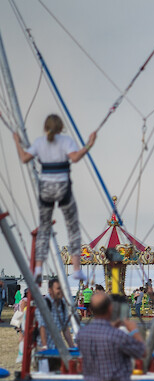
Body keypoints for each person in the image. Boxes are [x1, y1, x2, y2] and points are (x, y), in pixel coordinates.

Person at [14, 116, 95, 283]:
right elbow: (75, 158)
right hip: (63, 187)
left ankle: (38, 267)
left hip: (46, 189)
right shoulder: (65, 141)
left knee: (44, 228)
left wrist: (17, 141)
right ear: (61, 127)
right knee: (72, 226)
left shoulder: (39, 142)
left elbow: (24, 158)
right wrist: (89, 144)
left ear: (45, 128)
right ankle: (77, 268)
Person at [36, 278, 75, 370]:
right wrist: (45, 347)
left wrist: (72, 347)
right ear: (50, 290)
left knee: (60, 373)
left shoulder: (63, 304)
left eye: (62, 288)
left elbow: (65, 329)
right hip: (44, 350)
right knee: (46, 377)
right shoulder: (44, 304)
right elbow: (42, 326)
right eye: (58, 288)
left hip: (58, 349)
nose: (61, 291)